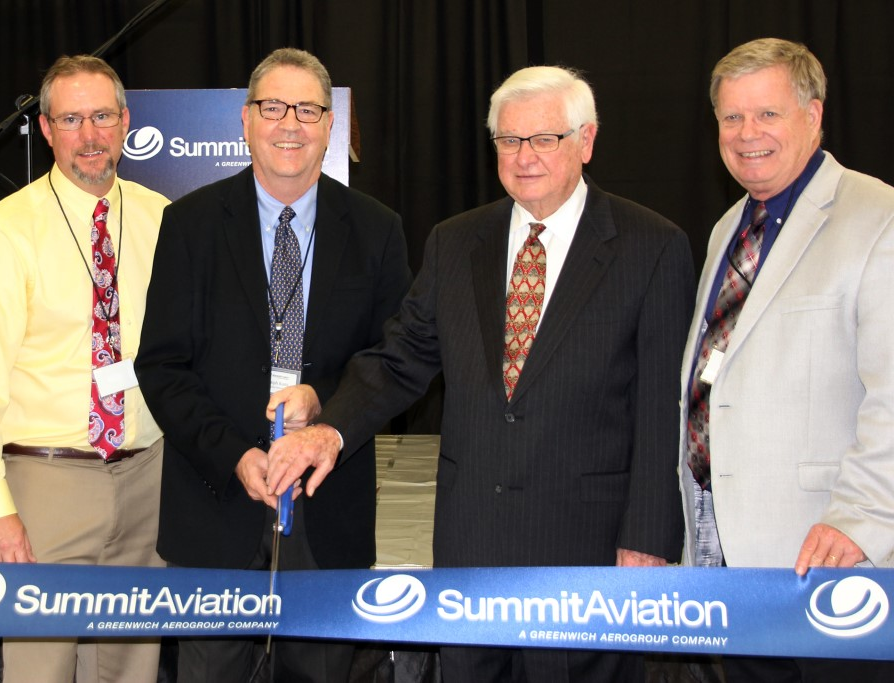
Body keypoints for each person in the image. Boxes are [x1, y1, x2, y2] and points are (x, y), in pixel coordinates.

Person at [268, 65, 696, 681]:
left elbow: (662, 407)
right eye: (508, 140)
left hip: (589, 551)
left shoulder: (651, 245)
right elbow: (400, 358)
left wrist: (649, 538)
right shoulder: (456, 241)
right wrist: (329, 431)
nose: (524, 156)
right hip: (471, 548)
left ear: (586, 141)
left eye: (544, 138)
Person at [135, 48, 411, 682]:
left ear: (330, 124)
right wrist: (235, 454)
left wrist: (324, 403)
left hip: (327, 510)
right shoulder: (189, 225)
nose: (291, 124)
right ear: (246, 119)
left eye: (308, 110)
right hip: (216, 506)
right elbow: (163, 366)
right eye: (274, 107)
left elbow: (393, 361)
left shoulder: (378, 230)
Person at [0, 54, 168, 683]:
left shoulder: (163, 218)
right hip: (46, 482)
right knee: (39, 669)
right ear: (45, 129)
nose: (89, 135)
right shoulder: (5, 231)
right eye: (71, 119)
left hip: (147, 477)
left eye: (102, 117)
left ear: (125, 121)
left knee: (131, 667)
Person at [680, 38, 894, 681]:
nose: (748, 133)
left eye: (767, 114)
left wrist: (863, 518)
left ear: (814, 114)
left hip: (829, 559)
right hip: (727, 553)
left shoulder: (878, 216)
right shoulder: (727, 227)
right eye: (732, 117)